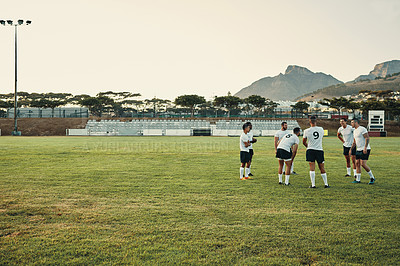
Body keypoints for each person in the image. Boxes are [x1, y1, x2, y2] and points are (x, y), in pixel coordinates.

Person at [302, 116, 330, 188]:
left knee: (312, 167)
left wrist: (308, 146)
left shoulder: (306, 131)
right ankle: (326, 184)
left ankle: (313, 185)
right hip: (319, 150)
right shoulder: (321, 129)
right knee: (322, 167)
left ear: (309, 121)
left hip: (310, 150)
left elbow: (303, 142)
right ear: (316, 121)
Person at [350, 119, 375, 184]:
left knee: (363, 164)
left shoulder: (362, 129)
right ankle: (358, 180)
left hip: (365, 149)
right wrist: (351, 149)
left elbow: (367, 138)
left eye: (352, 122)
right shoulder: (354, 131)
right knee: (357, 163)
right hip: (358, 149)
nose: (351, 124)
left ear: (356, 122)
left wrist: (365, 148)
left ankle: (372, 177)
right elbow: (354, 142)